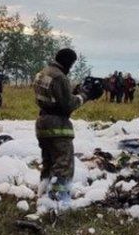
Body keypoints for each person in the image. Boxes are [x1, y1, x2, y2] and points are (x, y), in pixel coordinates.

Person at [34, 48, 103, 209]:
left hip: (42, 122)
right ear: (69, 62)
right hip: (57, 125)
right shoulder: (60, 77)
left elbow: (54, 98)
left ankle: (43, 193)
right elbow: (67, 105)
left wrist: (73, 92)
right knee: (63, 163)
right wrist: (85, 95)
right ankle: (58, 199)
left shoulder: (42, 73)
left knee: (48, 161)